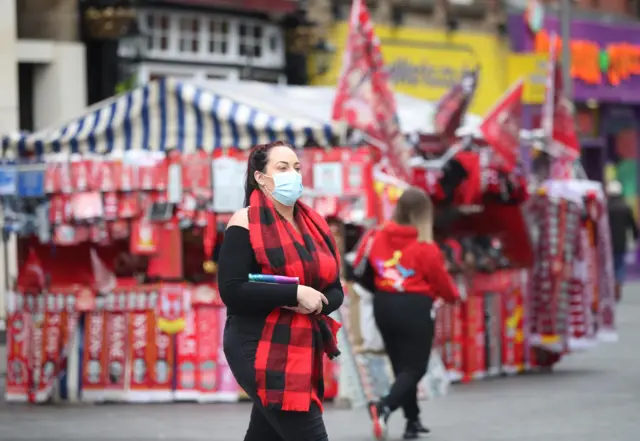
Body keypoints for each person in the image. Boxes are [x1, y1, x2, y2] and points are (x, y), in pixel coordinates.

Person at [218, 141, 344, 441]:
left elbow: (335, 288)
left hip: (300, 345)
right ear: (261, 177)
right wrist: (295, 293)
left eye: (297, 168)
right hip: (256, 343)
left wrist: (317, 304)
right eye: (283, 168)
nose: (293, 174)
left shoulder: (314, 225)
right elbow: (232, 290)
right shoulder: (244, 222)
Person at [352, 187, 461, 440]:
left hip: (384, 303)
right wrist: (453, 298)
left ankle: (412, 420)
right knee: (415, 368)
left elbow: (359, 263)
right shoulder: (425, 246)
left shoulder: (376, 236)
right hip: (415, 306)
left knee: (400, 364)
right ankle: (384, 407)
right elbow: (441, 281)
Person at [606, 180, 638, 302]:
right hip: (621, 241)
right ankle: (618, 283)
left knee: (610, 265)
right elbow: (632, 225)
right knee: (620, 264)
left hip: (608, 241)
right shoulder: (625, 207)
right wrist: (635, 237)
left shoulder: (605, 207)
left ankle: (611, 285)